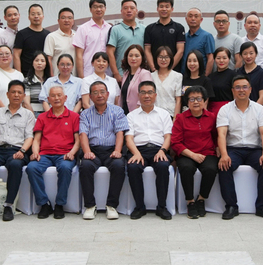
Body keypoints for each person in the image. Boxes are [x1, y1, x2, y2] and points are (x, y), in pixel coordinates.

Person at [216, 75, 263, 220]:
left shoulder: (259, 109)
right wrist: (224, 154)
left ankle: (262, 207)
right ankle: (231, 206)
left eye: (244, 87)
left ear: (250, 89)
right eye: (237, 87)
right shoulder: (225, 109)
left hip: (254, 149)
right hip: (233, 149)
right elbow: (222, 134)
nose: (241, 90)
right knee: (224, 166)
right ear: (232, 90)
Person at [0, 80, 35, 222]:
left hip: (18, 150)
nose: (16, 95)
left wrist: (22, 151)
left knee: (15, 165)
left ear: (23, 96)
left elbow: (30, 137)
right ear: (7, 94)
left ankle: (9, 205)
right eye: (13, 92)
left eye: (19, 92)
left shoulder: (28, 115)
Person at [26, 85, 81, 219]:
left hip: (64, 154)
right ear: (48, 99)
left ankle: (60, 204)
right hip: (45, 154)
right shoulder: (42, 117)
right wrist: (35, 152)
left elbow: (78, 140)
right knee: (31, 168)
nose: (56, 98)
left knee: (65, 168)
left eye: (59, 95)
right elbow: (36, 139)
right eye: (53, 96)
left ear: (65, 98)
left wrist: (72, 153)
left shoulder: (74, 116)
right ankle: (44, 203)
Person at [79, 81, 130, 220]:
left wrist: (118, 150)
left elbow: (120, 133)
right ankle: (90, 206)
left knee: (119, 165)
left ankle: (111, 206)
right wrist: (87, 151)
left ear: (108, 94)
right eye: (95, 93)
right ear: (90, 96)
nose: (99, 95)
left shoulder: (117, 111)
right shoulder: (85, 114)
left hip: (111, 150)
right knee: (85, 166)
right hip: (93, 150)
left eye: (102, 92)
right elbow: (83, 134)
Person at [125, 81, 173, 220]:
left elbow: (168, 136)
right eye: (143, 92)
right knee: (133, 167)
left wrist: (163, 150)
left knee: (163, 166)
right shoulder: (131, 116)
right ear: (138, 95)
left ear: (155, 95)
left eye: (150, 92)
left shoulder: (164, 114)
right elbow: (129, 138)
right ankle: (139, 207)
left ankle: (162, 207)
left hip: (159, 149)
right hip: (138, 149)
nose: (147, 96)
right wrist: (136, 153)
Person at [171, 86, 218, 219]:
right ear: (187, 102)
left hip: (207, 152)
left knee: (210, 169)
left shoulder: (212, 117)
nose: (196, 102)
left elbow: (216, 136)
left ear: (204, 101)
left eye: (199, 99)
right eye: (192, 99)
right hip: (186, 153)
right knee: (186, 168)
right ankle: (190, 201)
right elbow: (175, 142)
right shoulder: (180, 118)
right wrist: (192, 155)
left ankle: (201, 199)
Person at [107, 0, 145, 83]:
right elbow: (110, 52)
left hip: (141, 75)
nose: (129, 10)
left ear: (136, 11)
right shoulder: (115, 29)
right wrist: (116, 74)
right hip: (122, 75)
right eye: (125, 8)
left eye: (132, 8)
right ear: (121, 11)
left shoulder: (144, 29)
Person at [144, 0, 185, 72]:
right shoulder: (149, 29)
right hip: (155, 72)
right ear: (157, 9)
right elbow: (147, 51)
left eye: (167, 6)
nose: (164, 9)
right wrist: (153, 69)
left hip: (173, 71)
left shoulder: (179, 28)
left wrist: (169, 69)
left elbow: (180, 51)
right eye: (161, 6)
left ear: (172, 9)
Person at [73, 0, 111, 77]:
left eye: (101, 7)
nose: (98, 9)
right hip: (88, 73)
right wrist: (81, 77)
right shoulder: (83, 29)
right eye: (95, 7)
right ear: (90, 9)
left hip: (107, 74)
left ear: (105, 8)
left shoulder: (110, 28)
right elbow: (79, 55)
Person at [0, 45, 25, 110]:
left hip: (18, 114)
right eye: (1, 54)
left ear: (12, 56)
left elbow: (23, 97)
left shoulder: (19, 75)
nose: (4, 56)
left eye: (7, 53)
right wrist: (7, 112)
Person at [14, 4, 50, 74]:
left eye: (38, 14)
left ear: (43, 16)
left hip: (44, 75)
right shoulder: (21, 34)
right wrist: (19, 74)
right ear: (29, 17)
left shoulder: (48, 35)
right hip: (26, 74)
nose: (36, 16)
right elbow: (16, 55)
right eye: (33, 14)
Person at [119, 44, 153, 113]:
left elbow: (146, 94)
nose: (133, 58)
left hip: (138, 113)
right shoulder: (126, 74)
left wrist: (135, 113)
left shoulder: (145, 74)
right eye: (130, 55)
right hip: (124, 113)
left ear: (142, 58)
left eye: (137, 56)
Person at [44, 7, 77, 76]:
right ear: (58, 21)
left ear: (73, 21)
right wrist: (52, 77)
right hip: (57, 78)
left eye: (69, 18)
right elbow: (48, 59)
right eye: (63, 18)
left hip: (75, 78)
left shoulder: (77, 36)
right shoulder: (51, 37)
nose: (66, 20)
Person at [151, 46, 182, 116]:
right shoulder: (151, 76)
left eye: (166, 57)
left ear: (171, 59)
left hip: (170, 114)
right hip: (154, 114)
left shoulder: (177, 76)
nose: (163, 60)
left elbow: (178, 100)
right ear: (156, 58)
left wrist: (175, 118)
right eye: (160, 57)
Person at [183, 8, 215, 76]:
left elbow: (210, 59)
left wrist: (205, 77)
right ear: (186, 19)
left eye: (196, 16)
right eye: (190, 16)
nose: (193, 19)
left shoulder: (207, 36)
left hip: (200, 77)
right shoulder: (183, 37)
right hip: (184, 76)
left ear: (201, 20)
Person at [208, 47, 237, 115]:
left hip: (229, 110)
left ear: (229, 59)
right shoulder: (210, 77)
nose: (221, 61)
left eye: (224, 58)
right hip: (212, 110)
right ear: (214, 59)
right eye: (218, 58)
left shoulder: (234, 76)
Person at [24, 52, 51, 116]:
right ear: (32, 63)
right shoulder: (27, 81)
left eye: (42, 61)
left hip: (49, 113)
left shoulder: (50, 81)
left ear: (46, 63)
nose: (39, 63)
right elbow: (26, 103)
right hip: (33, 113)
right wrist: (33, 118)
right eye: (36, 60)